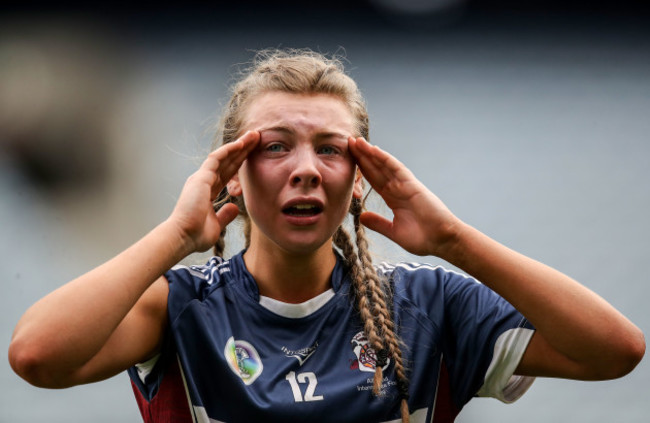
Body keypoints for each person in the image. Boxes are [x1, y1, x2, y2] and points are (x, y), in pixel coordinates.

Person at [8, 49, 645, 423]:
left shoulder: (429, 304)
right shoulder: (177, 304)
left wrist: (453, 240)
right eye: (275, 146)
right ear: (232, 173)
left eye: (332, 149)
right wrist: (177, 235)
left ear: (359, 178)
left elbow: (614, 350)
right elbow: (36, 355)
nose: (306, 169)